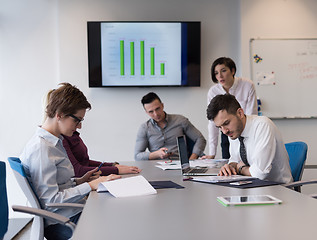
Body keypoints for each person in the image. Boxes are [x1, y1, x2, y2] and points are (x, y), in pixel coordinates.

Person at [20, 83, 121, 240]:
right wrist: (89, 186)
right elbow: (50, 201)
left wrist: (80, 181)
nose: (79, 126)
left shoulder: (56, 142)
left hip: (71, 213)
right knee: (119, 225)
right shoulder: (42, 149)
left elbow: (58, 186)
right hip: (62, 223)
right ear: (60, 114)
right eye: (77, 120)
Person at [206, 94, 293, 184]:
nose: (224, 131)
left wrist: (240, 169)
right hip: (252, 187)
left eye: (226, 123)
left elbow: (260, 174)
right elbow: (235, 160)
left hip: (278, 190)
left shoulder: (262, 126)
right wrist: (230, 167)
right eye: (219, 127)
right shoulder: (234, 131)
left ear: (240, 113)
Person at [206, 57, 258, 159]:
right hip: (227, 133)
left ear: (233, 70)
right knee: (229, 164)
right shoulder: (213, 92)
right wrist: (212, 153)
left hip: (247, 131)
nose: (220, 76)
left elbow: (252, 113)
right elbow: (213, 123)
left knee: (248, 161)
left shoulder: (247, 85)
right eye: (216, 73)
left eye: (223, 71)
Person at [134, 92, 206, 161]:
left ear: (162, 105)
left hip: (179, 164)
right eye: (151, 112)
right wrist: (156, 154)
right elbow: (137, 156)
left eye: (157, 109)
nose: (156, 114)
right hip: (156, 167)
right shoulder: (144, 128)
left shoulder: (180, 121)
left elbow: (200, 139)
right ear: (146, 112)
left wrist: (191, 160)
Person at [62, 131, 141, 177]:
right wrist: (115, 170)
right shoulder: (61, 140)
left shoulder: (73, 134)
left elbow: (84, 161)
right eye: (76, 120)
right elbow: (78, 171)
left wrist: (112, 165)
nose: (79, 126)